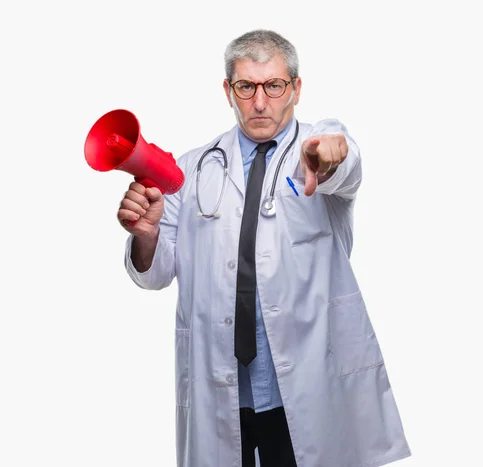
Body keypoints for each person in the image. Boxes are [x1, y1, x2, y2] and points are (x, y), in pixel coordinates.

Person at [118, 29, 411, 467]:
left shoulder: (315, 150)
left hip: (305, 387)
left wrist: (334, 153)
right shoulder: (191, 169)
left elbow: (345, 165)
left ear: (295, 88)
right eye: (246, 86)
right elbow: (156, 272)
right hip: (222, 384)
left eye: (274, 86)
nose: (259, 102)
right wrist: (146, 233)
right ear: (227, 90)